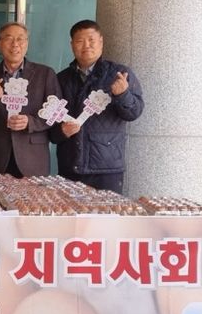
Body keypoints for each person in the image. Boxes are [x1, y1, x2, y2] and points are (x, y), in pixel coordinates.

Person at [53, 19, 144, 193]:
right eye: (80, 41)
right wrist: (61, 132)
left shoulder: (119, 74)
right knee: (69, 211)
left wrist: (123, 94)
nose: (86, 45)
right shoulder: (61, 79)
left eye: (91, 40)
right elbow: (50, 126)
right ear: (72, 45)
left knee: (107, 211)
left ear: (101, 42)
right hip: (70, 166)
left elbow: (134, 112)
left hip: (107, 169)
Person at [0, 22, 61, 177]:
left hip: (33, 156)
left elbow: (55, 113)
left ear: (27, 43)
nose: (15, 44)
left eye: (20, 39)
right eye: (9, 39)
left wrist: (30, 122)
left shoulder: (45, 74)